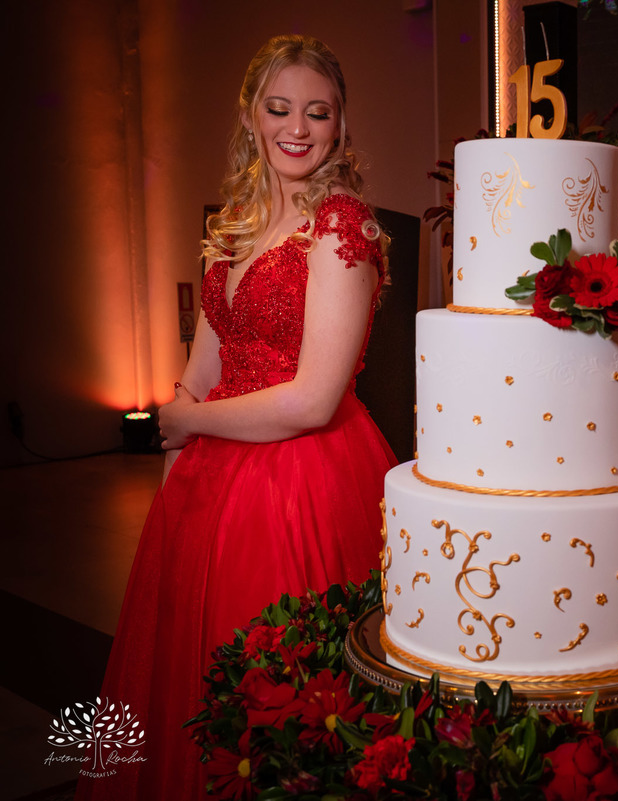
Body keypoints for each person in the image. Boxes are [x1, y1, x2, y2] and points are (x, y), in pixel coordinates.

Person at [75, 35, 398, 800]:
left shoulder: (342, 227)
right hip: (210, 488)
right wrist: (173, 484)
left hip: (306, 480)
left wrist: (190, 424)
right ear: (251, 115)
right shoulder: (233, 228)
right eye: (279, 108)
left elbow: (313, 398)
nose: (298, 127)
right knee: (194, 681)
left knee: (284, 697)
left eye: (317, 112)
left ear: (341, 124)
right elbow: (198, 376)